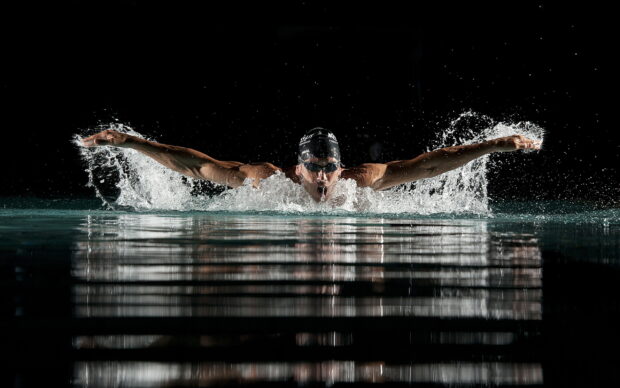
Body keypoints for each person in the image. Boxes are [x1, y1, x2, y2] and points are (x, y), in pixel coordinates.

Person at [81, 127, 541, 202]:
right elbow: (195, 167)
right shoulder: (267, 180)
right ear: (296, 169)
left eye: (330, 168)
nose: (323, 178)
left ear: (341, 168)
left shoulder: (362, 181)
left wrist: (494, 145)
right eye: (314, 168)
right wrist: (129, 143)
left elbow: (429, 166)